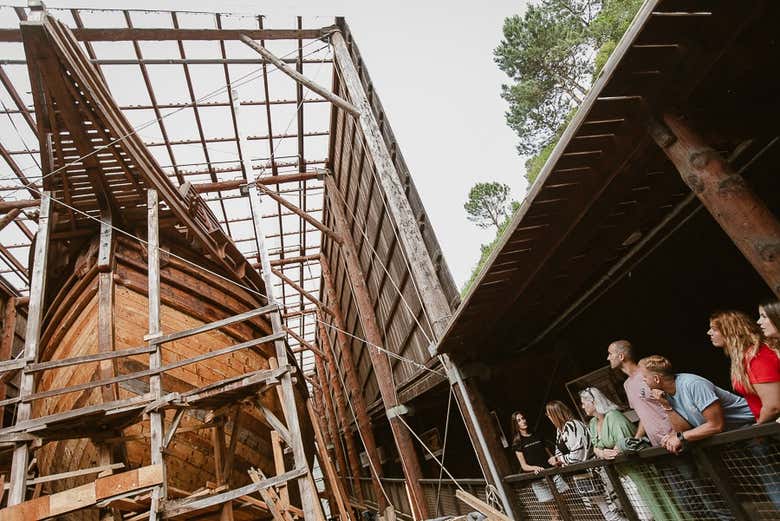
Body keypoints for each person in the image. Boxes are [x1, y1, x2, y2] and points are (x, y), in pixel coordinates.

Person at [581, 387, 687, 521]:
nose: (582, 406)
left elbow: (622, 445)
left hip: (636, 469)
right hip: (620, 474)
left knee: (652, 503)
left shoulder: (614, 416)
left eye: (584, 402)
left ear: (594, 402)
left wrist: (607, 452)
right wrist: (602, 452)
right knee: (640, 510)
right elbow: (595, 447)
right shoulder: (592, 422)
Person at [638, 355, 753, 454]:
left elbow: (716, 425)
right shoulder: (665, 394)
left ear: (656, 379)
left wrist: (680, 437)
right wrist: (667, 407)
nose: (643, 381)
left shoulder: (693, 384)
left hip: (752, 427)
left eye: (645, 377)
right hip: (732, 438)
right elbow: (683, 429)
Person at [545, 400, 627, 521]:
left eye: (548, 414)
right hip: (582, 476)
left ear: (555, 414)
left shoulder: (572, 425)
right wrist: (559, 459)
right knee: (607, 511)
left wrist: (559, 459)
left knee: (614, 508)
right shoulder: (560, 430)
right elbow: (558, 450)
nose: (548, 417)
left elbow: (578, 455)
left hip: (595, 472)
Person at [607, 340, 691, 446]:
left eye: (610, 354)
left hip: (677, 440)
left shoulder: (648, 375)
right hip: (658, 444)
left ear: (621, 356)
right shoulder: (627, 385)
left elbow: (676, 404)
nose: (608, 358)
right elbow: (645, 415)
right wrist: (636, 439)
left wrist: (675, 434)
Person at [708, 310, 780, 423]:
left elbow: (773, 407)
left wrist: (758, 429)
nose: (709, 333)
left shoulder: (756, 356)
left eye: (714, 329)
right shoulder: (742, 358)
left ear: (731, 331)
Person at [510, 411, 567, 515]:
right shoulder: (517, 443)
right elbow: (524, 466)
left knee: (565, 507)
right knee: (555, 514)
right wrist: (534, 468)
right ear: (515, 424)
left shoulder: (537, 435)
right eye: (519, 420)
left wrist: (555, 462)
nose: (523, 421)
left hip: (553, 475)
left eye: (523, 418)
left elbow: (549, 455)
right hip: (539, 480)